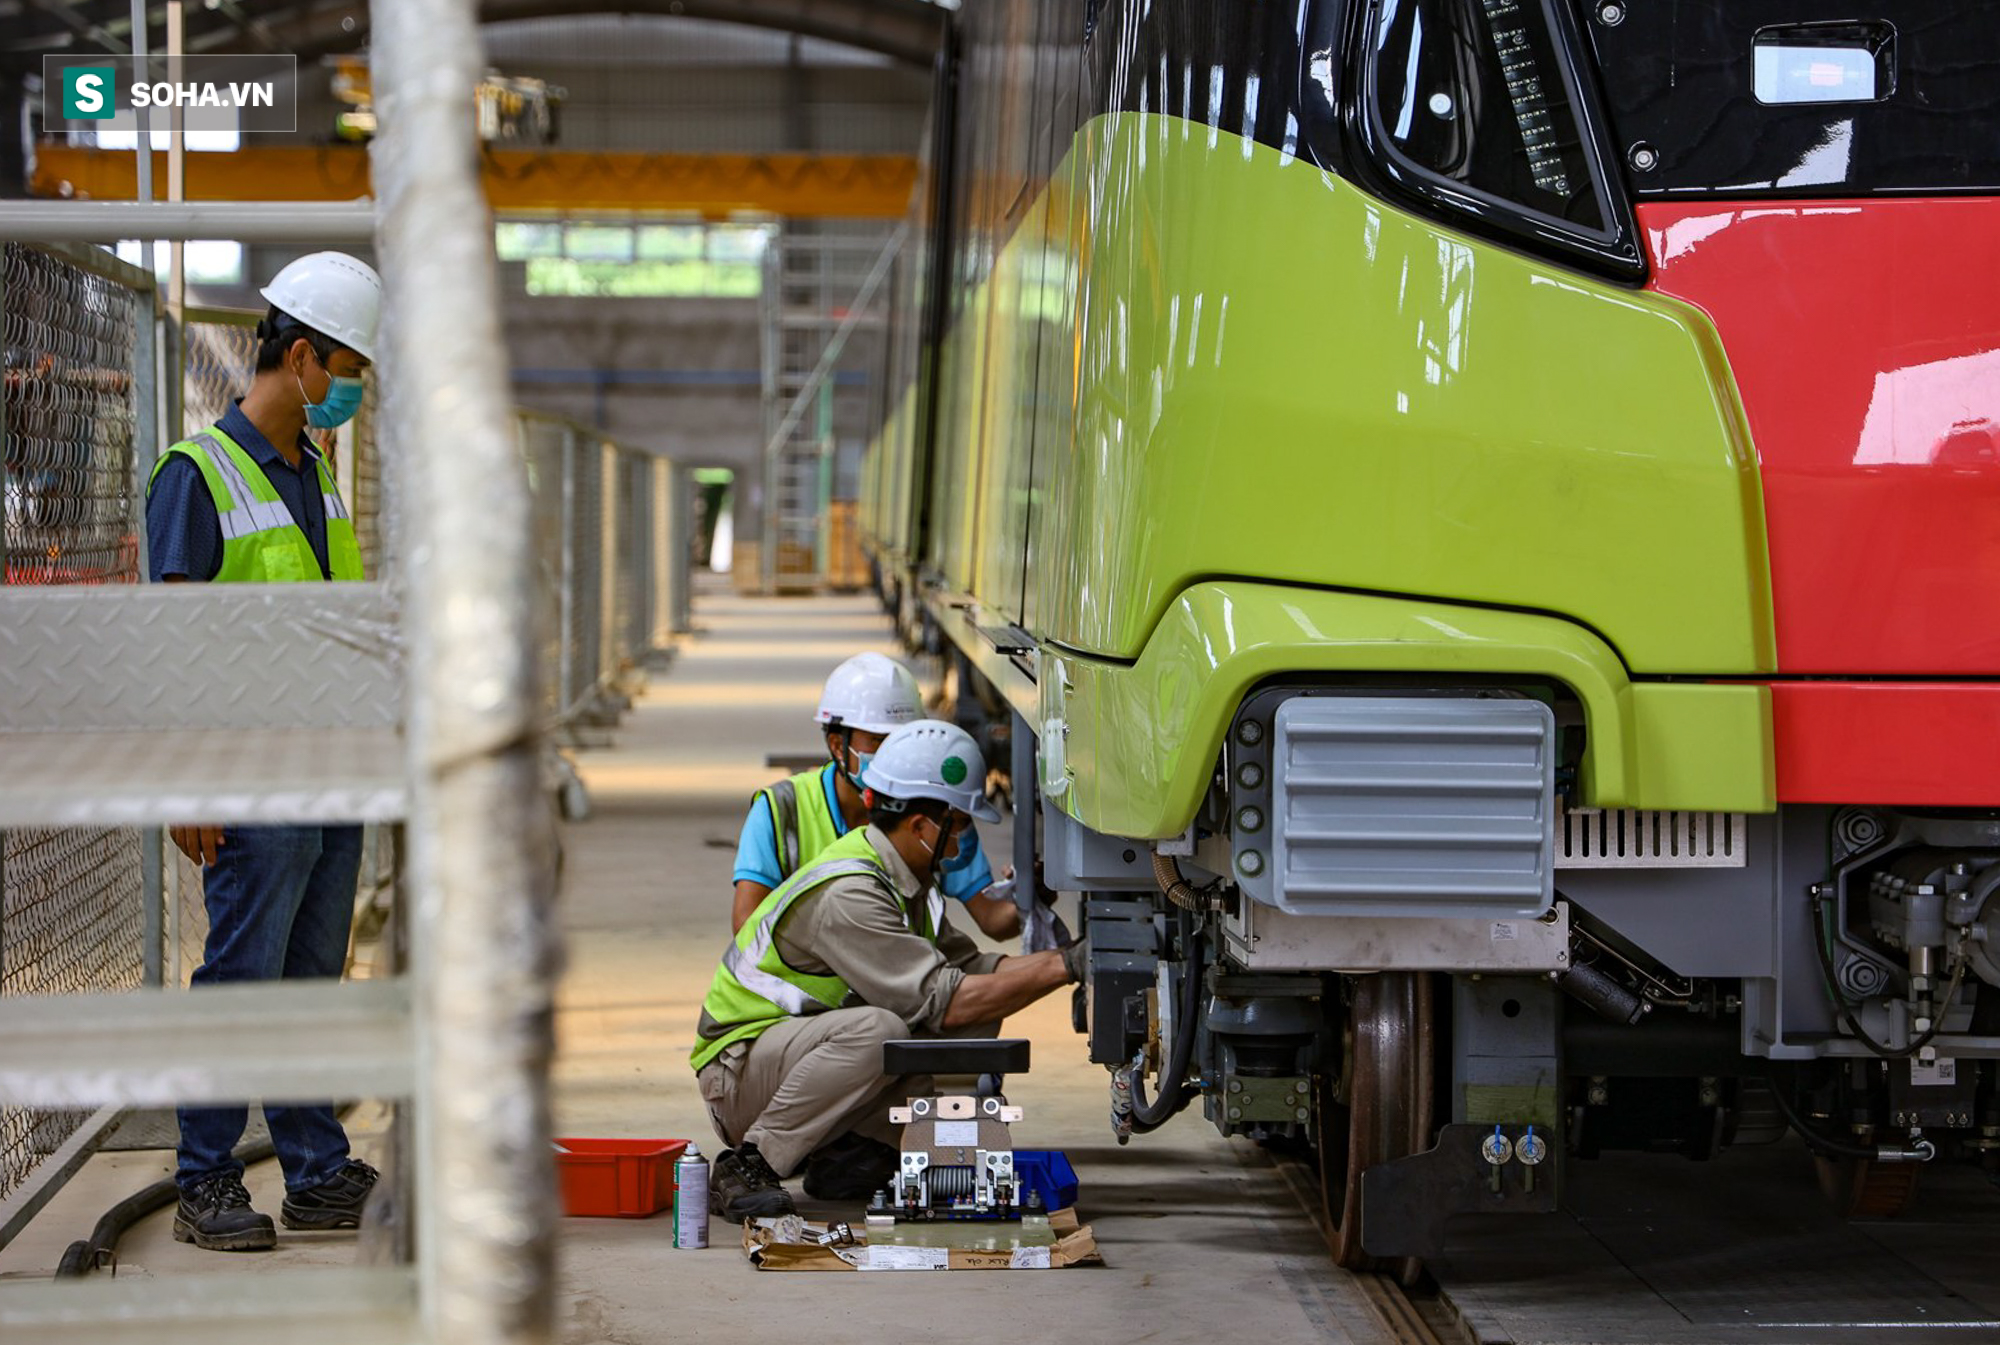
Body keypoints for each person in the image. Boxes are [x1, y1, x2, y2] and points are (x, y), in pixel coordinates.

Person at [146, 250, 383, 1252]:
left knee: (310, 971)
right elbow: (162, 647)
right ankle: (204, 1176)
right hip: (250, 779)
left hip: (331, 774)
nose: (355, 388)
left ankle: (316, 1167)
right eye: (349, 366)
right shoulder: (197, 476)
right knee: (243, 973)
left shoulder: (317, 475)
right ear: (300, 356)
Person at [694, 720, 1087, 1219]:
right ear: (922, 826)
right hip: (739, 1072)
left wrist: (1077, 961)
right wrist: (1065, 966)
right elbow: (947, 1000)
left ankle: (860, 1157)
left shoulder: (906, 881)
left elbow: (974, 970)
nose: (962, 843)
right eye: (960, 825)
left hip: (791, 1060)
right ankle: (749, 1162)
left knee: (962, 1026)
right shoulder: (852, 894)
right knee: (883, 1029)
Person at [731, 652, 1022, 940]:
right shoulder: (782, 809)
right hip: (815, 986)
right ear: (836, 745)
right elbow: (747, 929)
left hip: (902, 979)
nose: (894, 753)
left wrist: (1029, 893)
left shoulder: (932, 811)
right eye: (879, 740)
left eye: (902, 739)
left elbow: (993, 920)